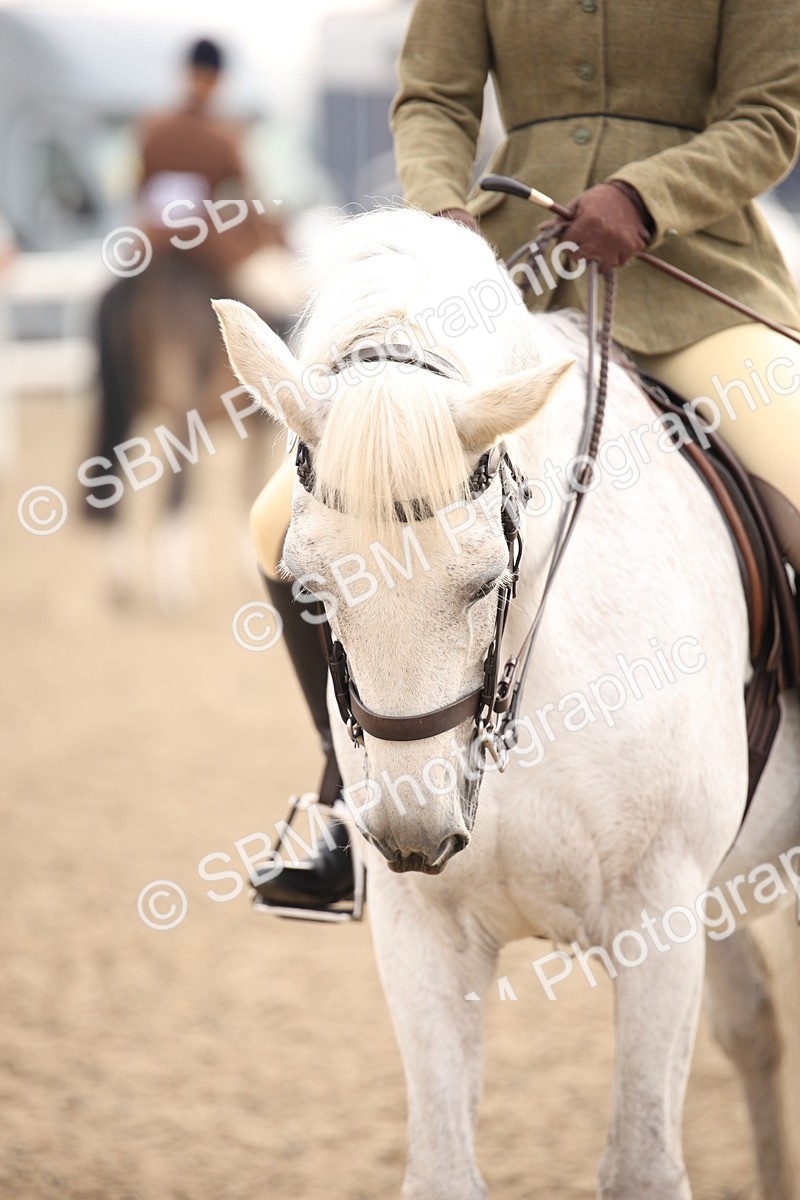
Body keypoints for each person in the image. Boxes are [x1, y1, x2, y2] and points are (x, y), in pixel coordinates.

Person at [251, 0, 800, 912]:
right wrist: (441, 214)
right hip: (507, 287)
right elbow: (432, 98)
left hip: (697, 278)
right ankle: (345, 801)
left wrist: (647, 196)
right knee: (276, 524)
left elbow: (770, 117)